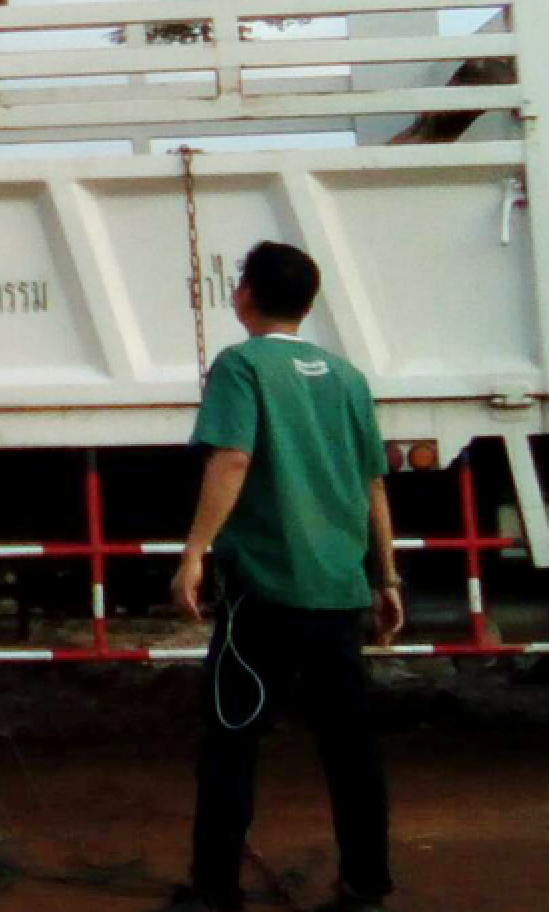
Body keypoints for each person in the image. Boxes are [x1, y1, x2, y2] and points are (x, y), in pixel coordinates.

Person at [161, 241, 405, 912]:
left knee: (232, 741)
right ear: (308, 301)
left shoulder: (240, 367)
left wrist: (194, 552)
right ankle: (366, 883)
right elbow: (372, 485)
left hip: (264, 595)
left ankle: (214, 889)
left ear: (243, 296)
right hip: (336, 592)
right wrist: (385, 579)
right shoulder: (347, 378)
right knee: (350, 747)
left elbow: (232, 459)